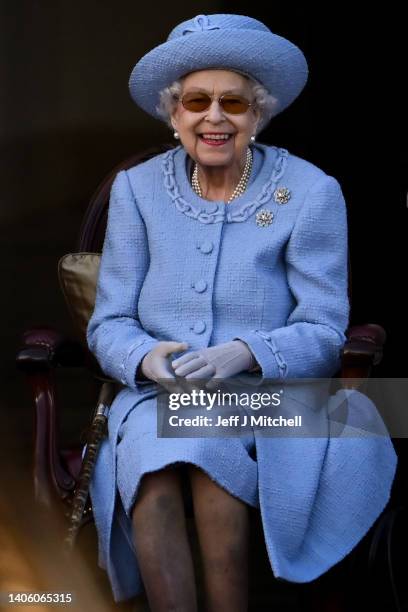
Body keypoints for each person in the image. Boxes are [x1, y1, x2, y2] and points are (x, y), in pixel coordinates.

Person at [86, 13, 397, 611]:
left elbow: (326, 327)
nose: (215, 117)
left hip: (268, 393)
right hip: (159, 393)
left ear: (258, 114)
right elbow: (109, 323)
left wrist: (251, 351)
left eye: (234, 103)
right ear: (173, 114)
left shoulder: (308, 191)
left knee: (204, 447)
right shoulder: (137, 190)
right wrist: (145, 357)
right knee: (156, 455)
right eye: (197, 101)